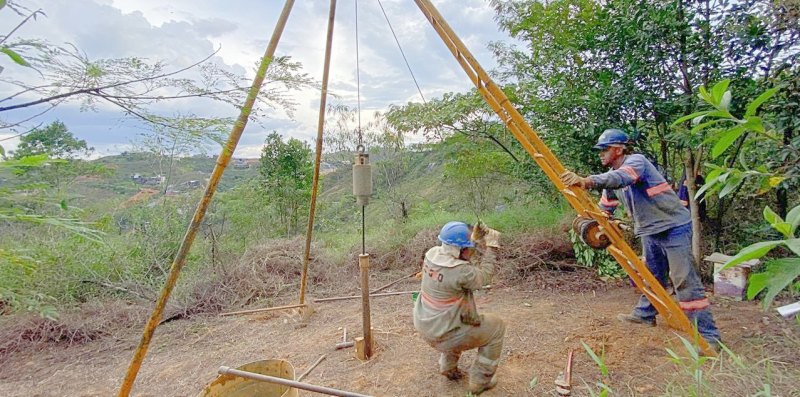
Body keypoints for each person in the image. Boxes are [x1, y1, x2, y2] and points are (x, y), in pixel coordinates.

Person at [559, 128, 721, 351]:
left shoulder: (636, 162)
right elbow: (604, 210)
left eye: (604, 150)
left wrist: (586, 181)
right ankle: (645, 314)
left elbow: (623, 177)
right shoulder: (612, 183)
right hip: (650, 231)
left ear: (619, 149)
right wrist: (587, 220)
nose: (600, 154)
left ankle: (709, 336)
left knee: (684, 280)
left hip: (674, 227)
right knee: (652, 276)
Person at [413, 221, 505, 395]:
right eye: (468, 247)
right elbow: (483, 277)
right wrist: (492, 247)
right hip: (445, 333)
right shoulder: (461, 272)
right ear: (458, 250)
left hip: (426, 323)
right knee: (496, 327)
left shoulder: (431, 254)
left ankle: (448, 368)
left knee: (456, 319)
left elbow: (462, 258)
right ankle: (481, 381)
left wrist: (474, 239)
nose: (471, 251)